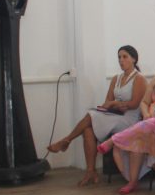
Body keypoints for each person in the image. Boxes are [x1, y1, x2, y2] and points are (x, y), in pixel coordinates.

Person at [47, 45, 147, 187]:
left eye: (125, 57)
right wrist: (115, 104)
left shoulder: (139, 79)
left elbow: (134, 104)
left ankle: (66, 140)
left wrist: (114, 103)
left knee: (90, 115)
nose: (121, 60)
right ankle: (90, 172)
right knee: (88, 129)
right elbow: (107, 102)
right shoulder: (116, 79)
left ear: (134, 59)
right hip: (115, 115)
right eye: (119, 57)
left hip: (129, 119)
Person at [97, 49, 155, 195]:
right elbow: (144, 103)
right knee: (138, 140)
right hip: (148, 121)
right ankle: (132, 182)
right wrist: (146, 114)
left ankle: (112, 141)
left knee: (152, 123)